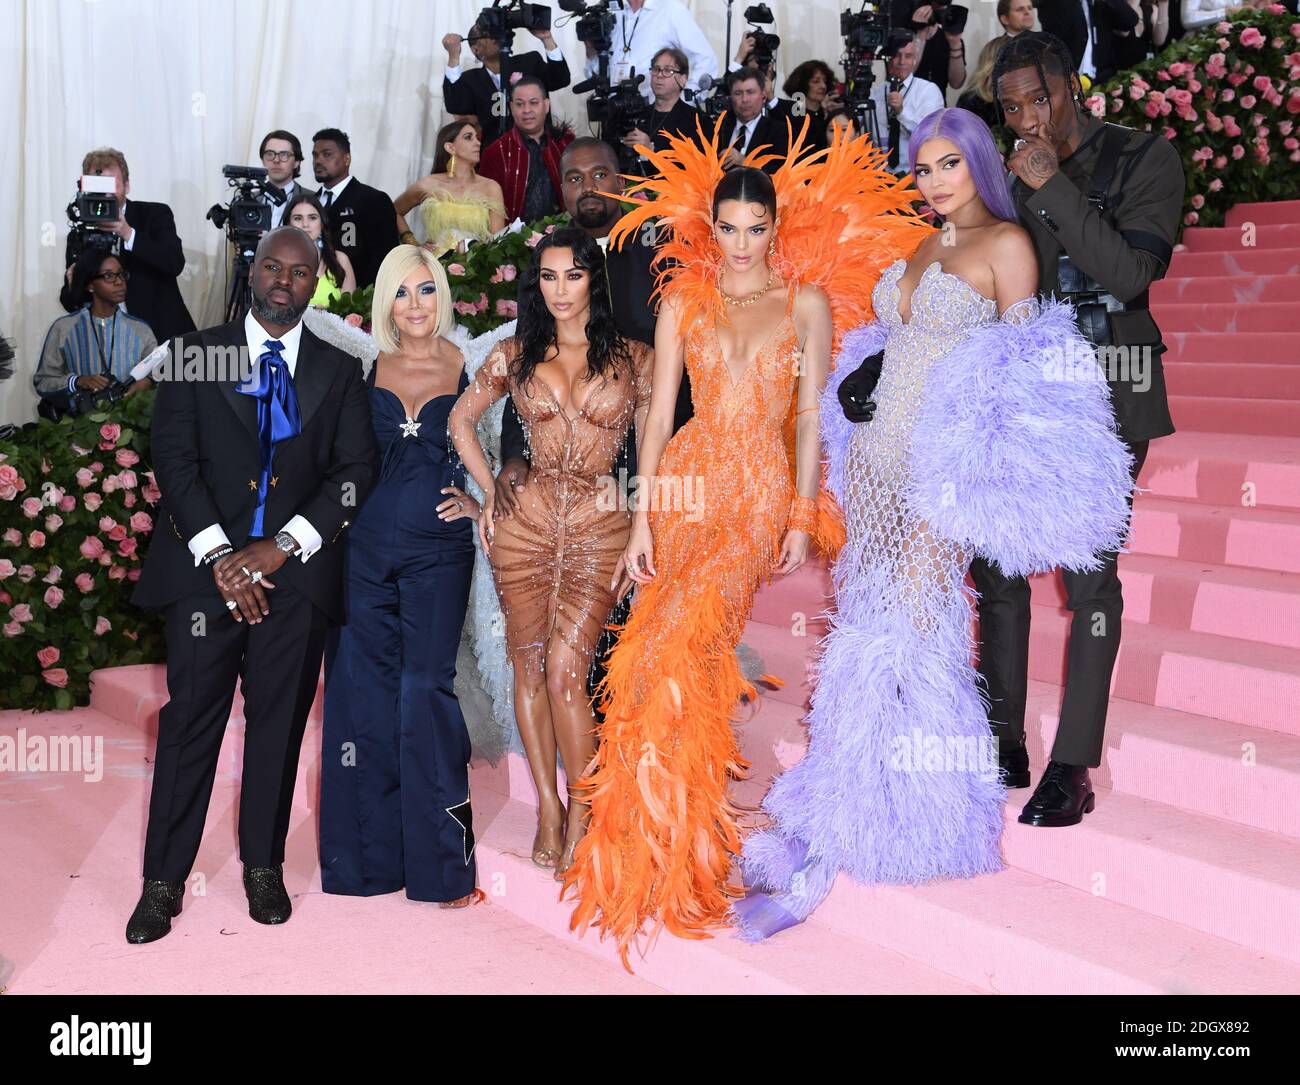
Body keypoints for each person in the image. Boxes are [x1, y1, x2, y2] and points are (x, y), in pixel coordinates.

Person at [736, 108, 1135, 941]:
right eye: (923, 169)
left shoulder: (1008, 245)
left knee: (914, 629)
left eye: (950, 164)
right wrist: (865, 366)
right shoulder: (925, 245)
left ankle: (915, 811)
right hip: (875, 464)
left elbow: (1026, 371)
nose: (935, 182)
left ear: (980, 164)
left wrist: (1004, 484)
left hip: (937, 472)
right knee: (870, 618)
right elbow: (902, 336)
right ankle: (861, 776)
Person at [560, 125, 931, 965]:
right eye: (725, 228)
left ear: (774, 228)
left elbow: (806, 413)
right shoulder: (683, 300)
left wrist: (801, 512)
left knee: (685, 638)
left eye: (753, 229)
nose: (737, 244)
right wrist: (644, 517)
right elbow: (657, 416)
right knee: (654, 651)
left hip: (758, 487)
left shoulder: (805, 302)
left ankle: (675, 853)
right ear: (710, 228)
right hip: (687, 479)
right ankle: (652, 848)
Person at [126, 227, 378, 943]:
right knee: (189, 722)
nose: (283, 280)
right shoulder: (195, 354)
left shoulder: (340, 368)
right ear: (254, 270)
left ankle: (262, 865)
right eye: (272, 265)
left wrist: (283, 546)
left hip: (293, 578)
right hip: (205, 574)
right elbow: (174, 463)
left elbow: (356, 473)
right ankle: (162, 880)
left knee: (278, 724)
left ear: (316, 282)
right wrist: (223, 558)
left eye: (300, 272)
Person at [978, 31, 1184, 825]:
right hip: (1025, 389)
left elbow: (1131, 276)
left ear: (1074, 86)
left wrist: (1054, 186)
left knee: (1089, 578)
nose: (1029, 118)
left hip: (1110, 389)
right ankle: (1004, 739)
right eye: (1012, 107)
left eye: (1042, 98)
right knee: (996, 564)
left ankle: (1073, 765)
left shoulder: (1145, 157)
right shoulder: (1007, 173)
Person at [449, 227, 654, 878]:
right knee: (530, 668)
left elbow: (649, 460)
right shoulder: (515, 352)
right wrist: (489, 496)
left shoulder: (638, 359)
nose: (560, 290)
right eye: (547, 276)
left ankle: (586, 807)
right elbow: (460, 421)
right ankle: (546, 806)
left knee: (569, 669)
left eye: (572, 275)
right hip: (526, 524)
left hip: (603, 524)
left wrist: (647, 529)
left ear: (593, 278)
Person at [321, 246, 480, 908]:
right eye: (401, 292)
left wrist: (481, 498)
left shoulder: (469, 363)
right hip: (361, 553)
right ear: (385, 301)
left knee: (424, 690)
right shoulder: (364, 363)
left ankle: (442, 866)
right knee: (360, 692)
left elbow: (498, 448)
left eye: (425, 290)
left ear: (441, 295)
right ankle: (364, 864)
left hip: (439, 551)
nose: (414, 305)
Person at [65, 148, 194, 344]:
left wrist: (128, 233)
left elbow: (174, 263)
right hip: (108, 344)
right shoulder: (80, 233)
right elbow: (70, 303)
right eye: (97, 186)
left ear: (127, 185)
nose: (105, 194)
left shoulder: (154, 214)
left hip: (161, 337)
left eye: (111, 185)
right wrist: (72, 284)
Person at [36, 250, 157, 400]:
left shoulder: (141, 330)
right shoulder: (64, 327)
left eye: (121, 274)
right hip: (79, 420)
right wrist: (78, 381)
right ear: (90, 285)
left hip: (129, 420)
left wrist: (147, 382)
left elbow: (157, 375)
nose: (119, 282)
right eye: (108, 276)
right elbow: (43, 381)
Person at [442, 23, 571, 147]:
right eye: (488, 35)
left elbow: (561, 79)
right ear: (476, 49)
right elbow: (455, 105)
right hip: (496, 153)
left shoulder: (530, 61)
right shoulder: (471, 79)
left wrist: (547, 39)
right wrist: (453, 56)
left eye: (497, 32)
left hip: (539, 147)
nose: (496, 38)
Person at [393, 120, 506, 256]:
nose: (477, 143)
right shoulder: (429, 184)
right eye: (468, 137)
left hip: (475, 270)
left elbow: (496, 241)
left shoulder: (490, 187)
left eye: (477, 137)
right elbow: (394, 211)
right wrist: (412, 243)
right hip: (434, 266)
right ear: (450, 147)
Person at [477, 76, 574, 224]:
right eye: (520, 104)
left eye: (534, 103)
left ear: (546, 105)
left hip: (565, 233)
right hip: (513, 241)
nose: (526, 110)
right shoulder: (496, 152)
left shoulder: (565, 143)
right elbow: (485, 208)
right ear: (511, 108)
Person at [312, 127, 401, 289]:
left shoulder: (373, 200)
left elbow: (385, 258)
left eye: (327, 154)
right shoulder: (310, 203)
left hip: (356, 299)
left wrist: (364, 300)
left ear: (347, 159)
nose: (318, 160)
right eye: (315, 155)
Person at [584, 0, 718, 104]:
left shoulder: (670, 10)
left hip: (655, 115)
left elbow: (706, 60)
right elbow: (596, 73)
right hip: (614, 112)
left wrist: (683, 103)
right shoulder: (611, 11)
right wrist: (590, 50)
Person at [956, 0, 1036, 128]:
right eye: (1020, 9)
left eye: (1030, 8)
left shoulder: (1043, 48)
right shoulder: (973, 103)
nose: (1027, 12)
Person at [871, 39, 946, 174]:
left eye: (908, 56)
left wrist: (901, 112)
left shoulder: (928, 90)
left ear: (915, 59)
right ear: (888, 58)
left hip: (916, 176)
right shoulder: (875, 93)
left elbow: (929, 134)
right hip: (879, 177)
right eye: (897, 55)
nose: (902, 62)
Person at [621, 47, 706, 165]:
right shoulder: (639, 114)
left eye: (668, 71)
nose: (659, 75)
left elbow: (697, 167)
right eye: (656, 69)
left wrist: (651, 150)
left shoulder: (697, 120)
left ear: (683, 79)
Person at [1035, 0, 1140, 83]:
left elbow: (1130, 21)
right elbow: (1054, 27)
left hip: (1102, 82)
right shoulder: (1057, 3)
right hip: (1068, 80)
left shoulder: (1100, 4)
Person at [283, 191, 356, 307]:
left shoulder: (340, 260)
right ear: (288, 224)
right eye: (298, 218)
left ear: (322, 223)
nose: (305, 224)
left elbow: (350, 312)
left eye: (312, 218)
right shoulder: (279, 260)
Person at [719, 68, 791, 172]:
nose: (745, 99)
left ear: (763, 96)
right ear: (731, 97)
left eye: (750, 92)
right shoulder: (720, 128)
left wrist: (745, 162)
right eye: (738, 93)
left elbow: (781, 172)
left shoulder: (779, 131)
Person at [904, 2, 970, 99]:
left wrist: (955, 44)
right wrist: (920, 35)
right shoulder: (904, 35)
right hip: (907, 105)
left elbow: (956, 83)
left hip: (937, 107)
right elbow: (904, 75)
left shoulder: (947, 38)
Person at [783, 59, 843, 151]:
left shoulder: (828, 111)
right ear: (803, 85)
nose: (823, 86)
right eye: (816, 81)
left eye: (825, 81)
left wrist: (828, 115)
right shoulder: (794, 111)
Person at [258, 130, 305, 229]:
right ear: (262, 160)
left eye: (284, 155)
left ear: (297, 162)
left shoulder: (313, 198)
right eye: (270, 154)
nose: (276, 160)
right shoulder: (249, 198)